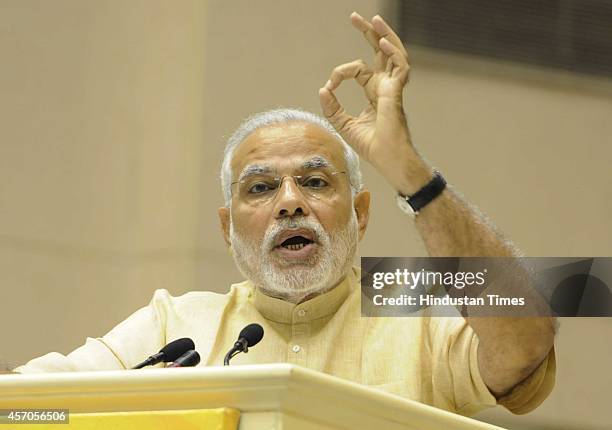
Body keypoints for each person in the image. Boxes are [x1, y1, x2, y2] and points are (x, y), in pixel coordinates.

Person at [8, 13, 555, 416]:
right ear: (227, 229)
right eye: (261, 187)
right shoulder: (174, 325)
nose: (290, 202)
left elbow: (528, 340)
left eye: (315, 182)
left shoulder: (411, 303)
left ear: (361, 215)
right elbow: (24, 407)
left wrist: (407, 169)